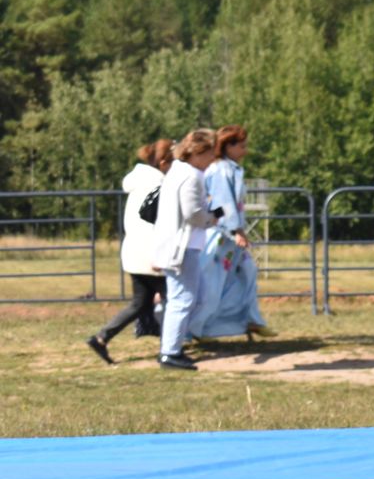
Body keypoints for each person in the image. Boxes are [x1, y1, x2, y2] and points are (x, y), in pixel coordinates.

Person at [85, 139, 173, 365]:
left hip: (134, 252)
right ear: (163, 163)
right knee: (174, 300)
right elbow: (156, 224)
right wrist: (160, 254)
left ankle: (101, 338)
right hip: (151, 253)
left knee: (140, 303)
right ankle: (170, 349)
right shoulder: (159, 186)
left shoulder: (138, 183)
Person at [191, 125, 272, 341]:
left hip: (231, 235)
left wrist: (239, 230)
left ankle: (250, 319)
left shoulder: (230, 168)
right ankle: (196, 328)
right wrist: (236, 231)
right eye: (242, 146)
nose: (245, 151)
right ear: (229, 146)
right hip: (221, 236)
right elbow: (224, 204)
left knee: (248, 272)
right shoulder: (221, 170)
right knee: (213, 283)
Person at [152, 128, 222, 372]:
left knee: (196, 297)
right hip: (183, 247)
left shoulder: (178, 171)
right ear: (198, 152)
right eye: (211, 153)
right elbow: (192, 213)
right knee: (184, 300)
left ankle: (171, 343)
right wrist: (212, 218)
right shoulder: (191, 175)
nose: (214, 158)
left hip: (181, 245)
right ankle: (170, 351)